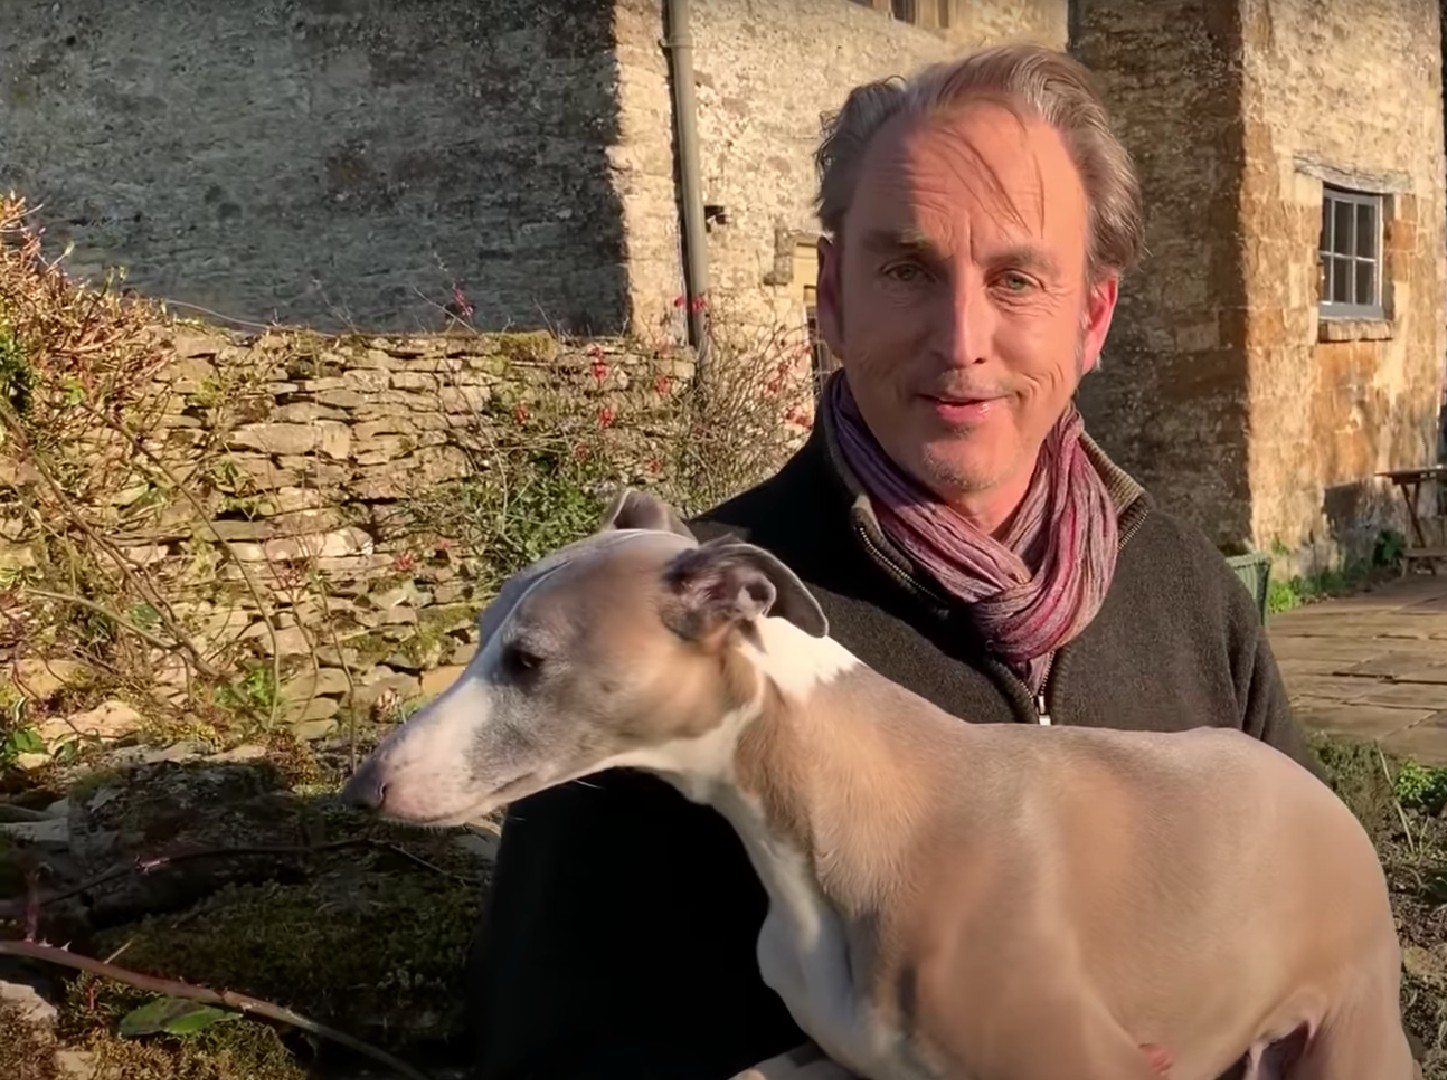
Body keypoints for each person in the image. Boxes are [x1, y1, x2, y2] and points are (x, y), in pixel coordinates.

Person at [466, 43, 1316, 1080]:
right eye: (908, 269)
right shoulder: (661, 636)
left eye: (1017, 277)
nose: (961, 339)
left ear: (1092, 316)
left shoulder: (1191, 604)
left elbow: (1306, 944)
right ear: (831, 296)